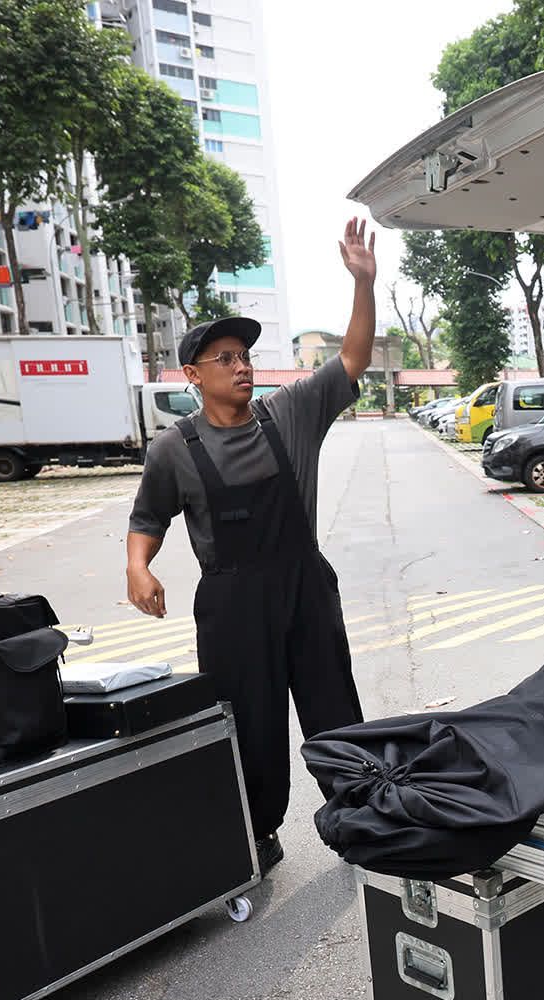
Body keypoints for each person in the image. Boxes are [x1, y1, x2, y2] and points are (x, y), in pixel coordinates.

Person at [125, 218, 378, 872]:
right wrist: (138, 567)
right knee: (250, 727)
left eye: (245, 356)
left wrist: (363, 284)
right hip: (233, 605)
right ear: (193, 374)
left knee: (335, 712)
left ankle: (360, 820)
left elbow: (352, 358)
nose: (242, 367)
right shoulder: (174, 450)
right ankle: (255, 833)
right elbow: (149, 516)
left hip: (304, 586)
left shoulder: (289, 412)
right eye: (226, 359)